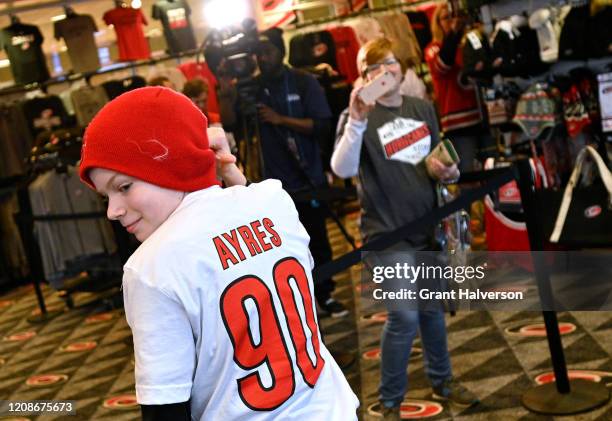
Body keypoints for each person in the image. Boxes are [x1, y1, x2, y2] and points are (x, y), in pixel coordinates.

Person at [78, 86, 359, 420]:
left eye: (124, 187)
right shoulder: (274, 200)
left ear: (172, 162)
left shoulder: (151, 266)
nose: (113, 211)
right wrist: (223, 169)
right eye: (105, 197)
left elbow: (165, 410)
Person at [331, 38, 478, 420]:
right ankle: (391, 401)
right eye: (373, 68)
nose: (384, 72)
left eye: (390, 63)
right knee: (405, 316)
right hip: (385, 234)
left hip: (428, 226)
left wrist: (450, 170)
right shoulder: (356, 117)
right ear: (363, 77)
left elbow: (438, 162)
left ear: (403, 68)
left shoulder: (422, 108)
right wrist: (357, 119)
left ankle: (442, 381)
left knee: (430, 312)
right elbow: (343, 170)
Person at [253, 27, 347, 318]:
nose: (263, 58)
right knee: (281, 249)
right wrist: (226, 84)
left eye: (268, 51)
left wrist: (280, 120)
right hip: (271, 188)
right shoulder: (251, 88)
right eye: (258, 53)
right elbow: (232, 122)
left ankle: (326, 294)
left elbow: (321, 125)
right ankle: (297, 305)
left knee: (316, 239)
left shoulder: (303, 81)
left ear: (280, 52)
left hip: (307, 178)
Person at [425, 2, 494, 172]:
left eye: (454, 17)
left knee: (493, 167)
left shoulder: (467, 42)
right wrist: (454, 33)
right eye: (446, 18)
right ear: (437, 23)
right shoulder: (433, 49)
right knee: (466, 172)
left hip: (482, 115)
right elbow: (443, 65)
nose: (451, 21)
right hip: (458, 123)